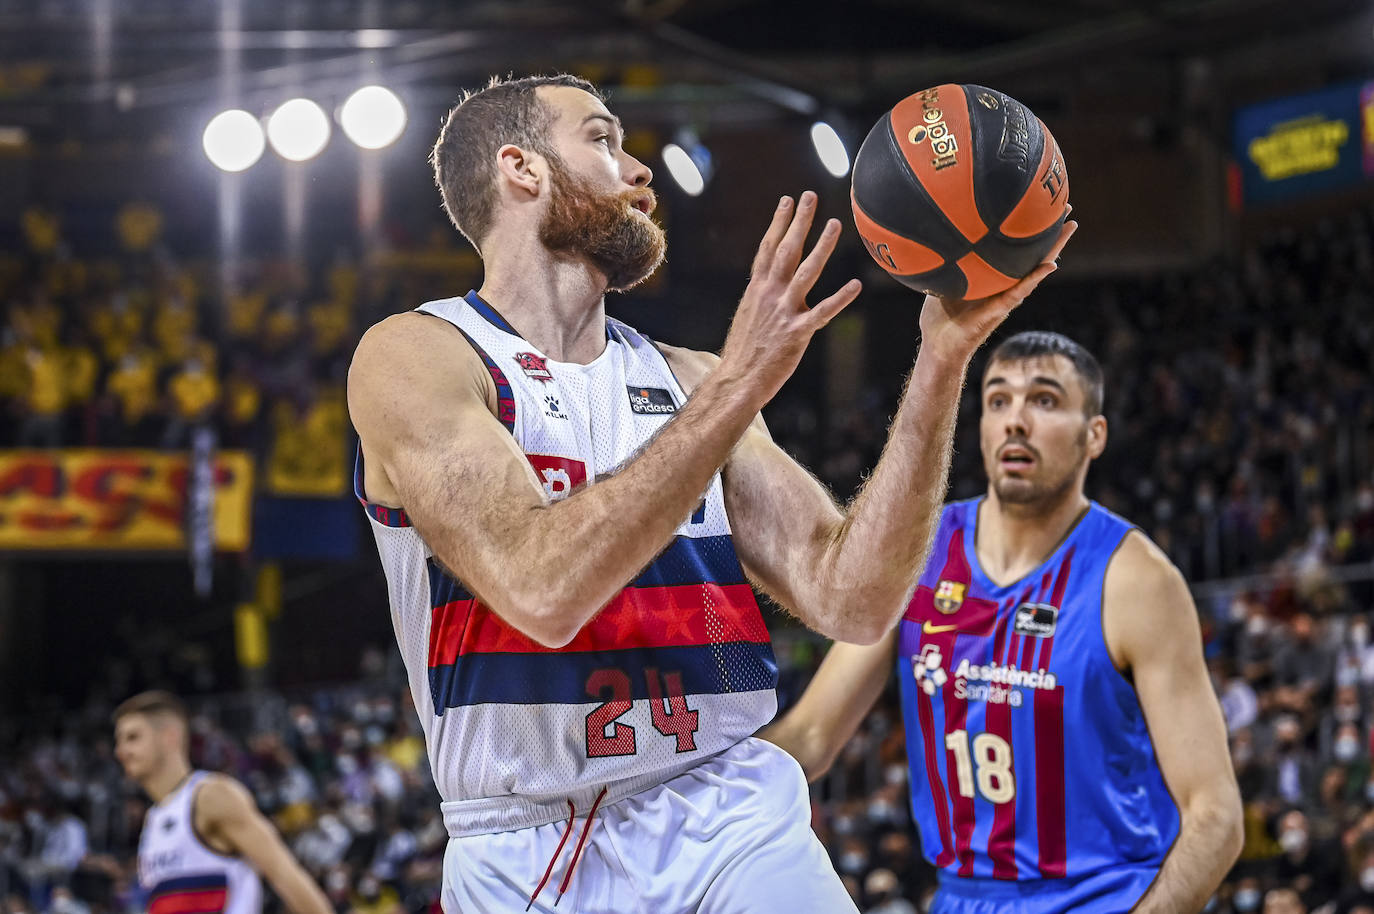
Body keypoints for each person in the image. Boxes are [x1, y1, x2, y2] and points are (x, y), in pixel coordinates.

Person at [347, 74, 1074, 913]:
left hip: (727, 815)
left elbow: (854, 598)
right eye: (602, 139)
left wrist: (942, 361)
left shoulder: (688, 378)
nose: (640, 169)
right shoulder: (420, 356)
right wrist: (739, 387)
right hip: (521, 841)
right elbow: (538, 590)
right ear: (522, 168)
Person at [763, 331, 1243, 913]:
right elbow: (811, 739)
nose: (1016, 421)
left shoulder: (1137, 580)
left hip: (1105, 898)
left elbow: (1216, 815)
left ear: (1095, 435)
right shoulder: (922, 552)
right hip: (963, 899)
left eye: (1044, 400)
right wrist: (675, 779)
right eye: (998, 400)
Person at [112, 691, 333, 914]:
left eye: (133, 738)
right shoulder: (154, 819)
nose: (121, 752)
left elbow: (286, 874)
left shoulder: (210, 796)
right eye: (119, 741)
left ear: (170, 736)